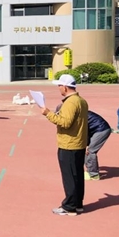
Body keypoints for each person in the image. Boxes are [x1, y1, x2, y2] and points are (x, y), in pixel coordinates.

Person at [40, 74, 89, 216]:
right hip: (78, 143)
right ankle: (77, 203)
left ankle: (69, 206)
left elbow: (65, 123)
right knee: (77, 175)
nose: (58, 88)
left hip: (69, 144)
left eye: (59, 86)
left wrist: (48, 113)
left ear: (65, 87)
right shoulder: (81, 100)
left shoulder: (71, 102)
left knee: (70, 177)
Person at [85, 111, 111, 181]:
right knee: (85, 149)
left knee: (90, 150)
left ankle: (94, 174)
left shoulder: (79, 115)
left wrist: (87, 144)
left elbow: (84, 132)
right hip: (95, 129)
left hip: (102, 130)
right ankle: (90, 169)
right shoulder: (78, 112)